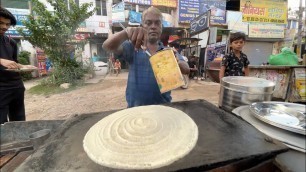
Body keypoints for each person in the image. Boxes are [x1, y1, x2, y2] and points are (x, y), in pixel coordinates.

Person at [102, 6, 189, 107]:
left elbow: (186, 69)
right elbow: (107, 46)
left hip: (163, 109)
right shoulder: (133, 47)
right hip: (136, 110)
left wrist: (179, 63)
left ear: (161, 27)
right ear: (141, 26)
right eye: (148, 23)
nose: (153, 26)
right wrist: (126, 33)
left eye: (157, 23)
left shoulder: (168, 51)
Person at [0, 7, 36, 124]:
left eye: (7, 24)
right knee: (2, 124)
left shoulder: (11, 42)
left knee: (19, 121)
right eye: (1, 23)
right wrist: (1, 60)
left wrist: (24, 67)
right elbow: (4, 62)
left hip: (16, 86)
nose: (4, 27)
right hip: (1, 89)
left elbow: (14, 63)